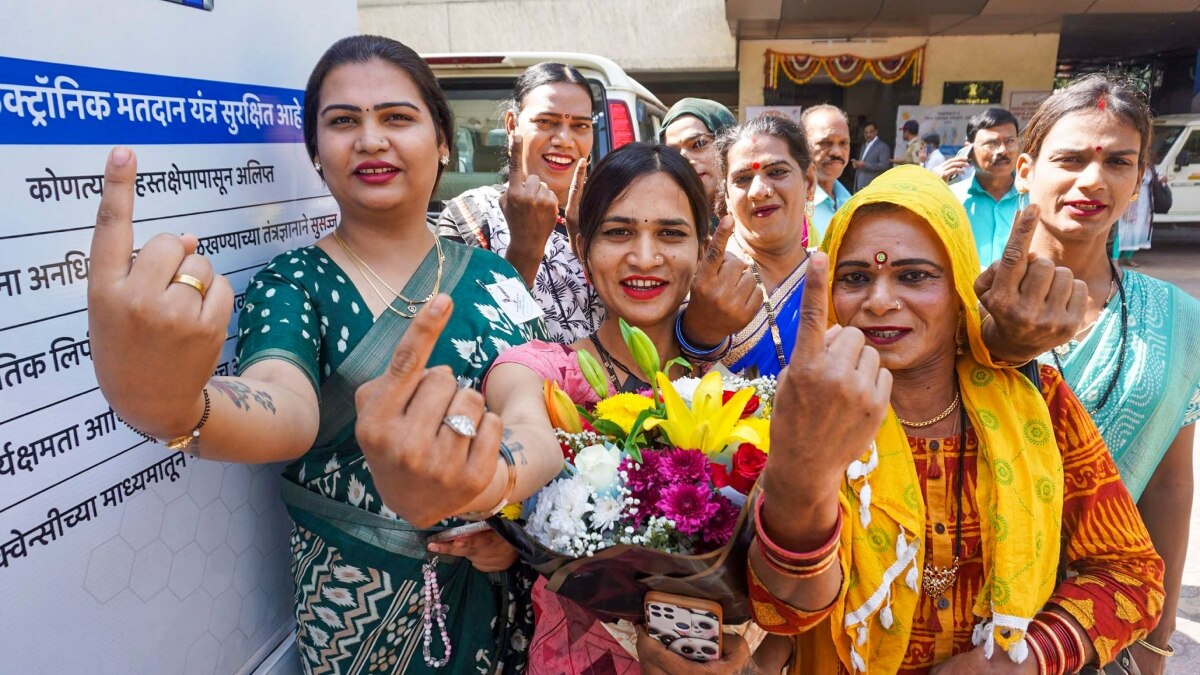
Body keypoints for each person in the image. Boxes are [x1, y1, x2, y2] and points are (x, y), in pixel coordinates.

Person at [86, 35, 566, 673]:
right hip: (354, 610)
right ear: (316, 152)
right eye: (343, 122)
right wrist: (169, 403)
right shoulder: (293, 282)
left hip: (495, 597)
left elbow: (536, 419)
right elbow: (283, 407)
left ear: (443, 141)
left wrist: (497, 500)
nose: (370, 140)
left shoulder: (493, 277)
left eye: (397, 117)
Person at [745, 165, 1164, 673]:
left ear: (960, 288)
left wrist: (1023, 659)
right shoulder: (800, 411)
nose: (880, 302)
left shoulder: (1038, 403)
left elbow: (1131, 573)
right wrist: (804, 474)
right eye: (855, 278)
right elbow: (781, 611)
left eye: (914, 276)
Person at [484, 142, 792, 674]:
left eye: (670, 233)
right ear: (582, 249)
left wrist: (753, 667)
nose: (645, 257)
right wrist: (490, 474)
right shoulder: (541, 372)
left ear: (703, 249)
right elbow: (522, 431)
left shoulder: (735, 393)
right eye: (618, 232)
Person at [678, 114, 1088, 380]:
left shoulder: (848, 272)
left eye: (777, 171)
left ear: (807, 184)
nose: (760, 189)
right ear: (725, 199)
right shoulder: (710, 282)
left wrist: (1006, 341)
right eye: (742, 179)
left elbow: (944, 347)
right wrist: (698, 330)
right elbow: (667, 373)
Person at [1018, 73, 1200, 674]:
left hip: (1107, 627)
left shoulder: (1177, 319)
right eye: (1069, 159)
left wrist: (1158, 637)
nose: (1093, 180)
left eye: (1119, 162)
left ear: (1139, 180)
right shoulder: (966, 307)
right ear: (1026, 171)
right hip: (972, 621)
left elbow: (1170, 487)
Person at [437, 62, 600, 343]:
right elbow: (465, 333)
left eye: (580, 125)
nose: (564, 139)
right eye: (546, 122)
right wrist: (526, 249)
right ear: (512, 125)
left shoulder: (608, 219)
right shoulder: (471, 216)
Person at [935, 107, 1022, 266]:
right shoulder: (950, 198)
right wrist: (931, 189)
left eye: (1010, 141)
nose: (1003, 150)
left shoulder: (1035, 198)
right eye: (992, 143)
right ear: (968, 149)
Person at [660, 97, 738, 211]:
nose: (684, 160)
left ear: (729, 147)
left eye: (699, 144)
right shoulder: (660, 220)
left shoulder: (760, 214)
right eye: (672, 152)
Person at [801, 104, 853, 243]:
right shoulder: (793, 205)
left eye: (844, 143)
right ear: (802, 146)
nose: (837, 152)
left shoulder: (852, 202)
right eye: (825, 143)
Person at [1114, 168, 1154, 265]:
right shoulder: (1133, 167)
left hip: (1144, 204)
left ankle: (1128, 257)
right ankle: (1115, 259)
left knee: (1136, 231)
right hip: (1131, 203)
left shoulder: (1150, 169)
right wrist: (1130, 202)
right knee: (1123, 232)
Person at [851, 121, 891, 192]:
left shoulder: (882, 146)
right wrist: (856, 164)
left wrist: (865, 165)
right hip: (859, 185)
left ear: (876, 132)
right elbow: (862, 163)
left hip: (872, 186)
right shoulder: (864, 146)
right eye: (866, 132)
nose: (868, 134)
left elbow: (884, 165)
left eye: (871, 132)